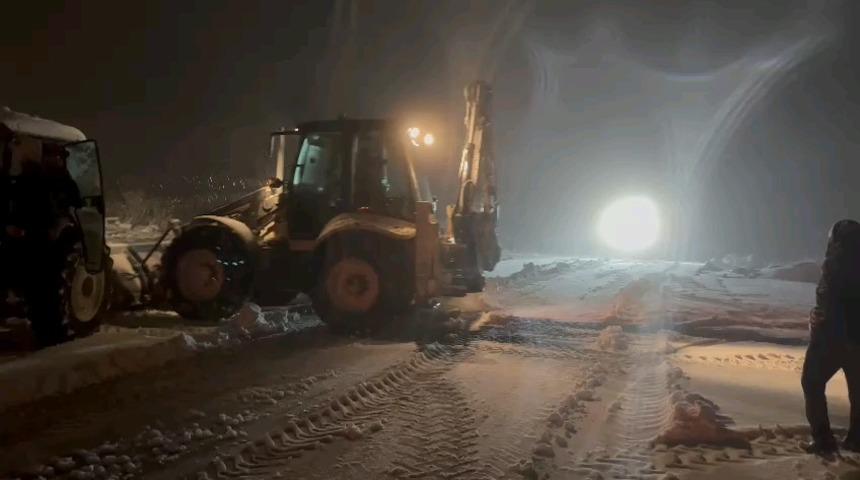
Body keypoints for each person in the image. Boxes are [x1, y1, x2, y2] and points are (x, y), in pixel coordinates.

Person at [0, 135, 72, 347]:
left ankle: (49, 333)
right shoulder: (29, 182)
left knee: (42, 292)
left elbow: (46, 213)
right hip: (34, 245)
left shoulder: (34, 182)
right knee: (43, 292)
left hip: (34, 244)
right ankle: (49, 332)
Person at [801, 219, 860, 454]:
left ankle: (823, 440)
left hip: (833, 340)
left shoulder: (835, 264)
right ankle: (856, 439)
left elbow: (830, 302)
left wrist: (819, 319)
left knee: (811, 382)